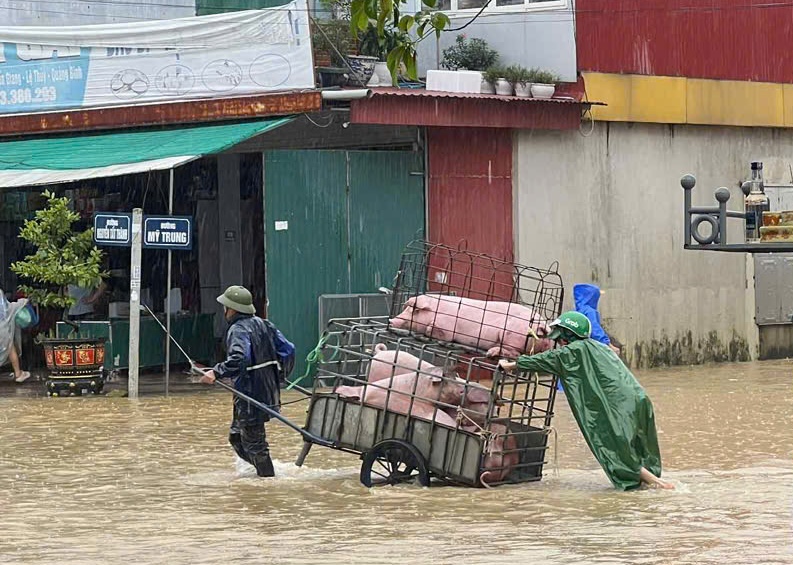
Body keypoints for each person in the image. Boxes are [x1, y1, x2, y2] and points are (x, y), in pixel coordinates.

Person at [499, 311, 674, 490]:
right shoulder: (599, 347)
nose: (559, 344)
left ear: (566, 336)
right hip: (639, 399)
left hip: (619, 408)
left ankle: (660, 485)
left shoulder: (574, 351)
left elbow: (544, 359)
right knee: (641, 450)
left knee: (615, 450)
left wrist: (510, 365)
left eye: (560, 339)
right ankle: (651, 483)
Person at [198, 285, 283, 478]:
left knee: (255, 443)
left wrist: (216, 372)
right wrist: (278, 376)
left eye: (226, 306)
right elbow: (288, 349)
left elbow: (239, 358)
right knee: (236, 437)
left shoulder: (238, 329)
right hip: (265, 391)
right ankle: (260, 472)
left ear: (232, 309)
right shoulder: (265, 324)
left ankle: (267, 479)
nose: (224, 310)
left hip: (250, 392)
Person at [573, 283, 620, 356]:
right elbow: (595, 330)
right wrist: (609, 345)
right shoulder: (589, 311)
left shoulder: (576, 312)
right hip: (590, 349)